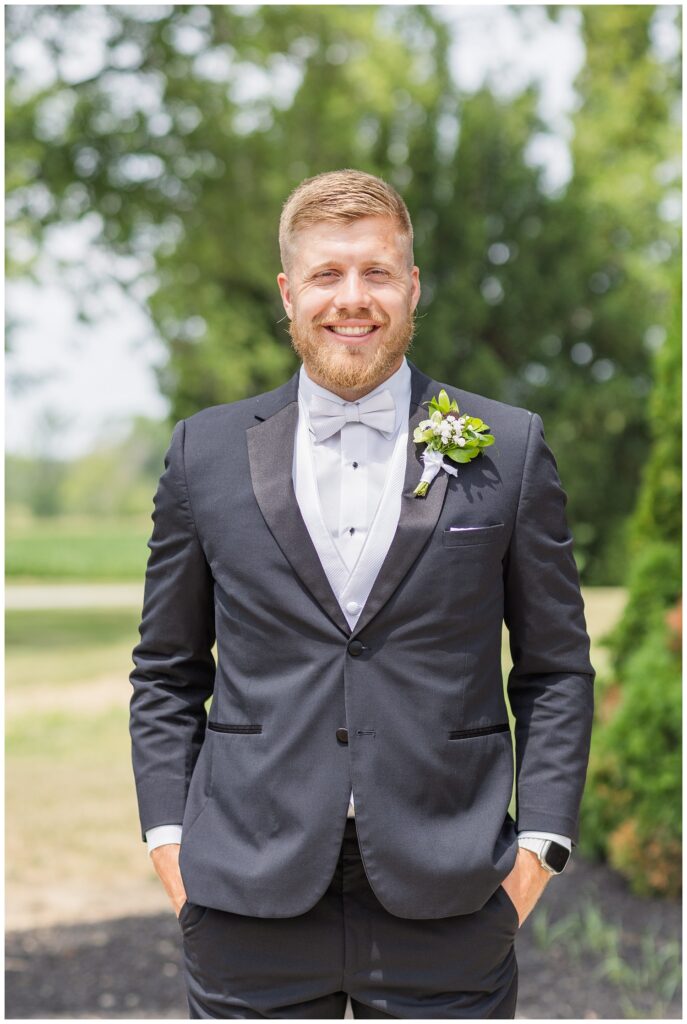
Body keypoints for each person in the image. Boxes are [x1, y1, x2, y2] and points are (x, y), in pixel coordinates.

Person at [129, 168, 595, 1019]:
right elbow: (165, 670)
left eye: (377, 272)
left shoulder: (511, 449)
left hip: (451, 895)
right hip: (245, 895)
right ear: (288, 291)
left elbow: (556, 668)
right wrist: (171, 845)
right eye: (326, 274)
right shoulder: (204, 453)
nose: (353, 298)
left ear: (411, 285)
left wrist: (539, 851)